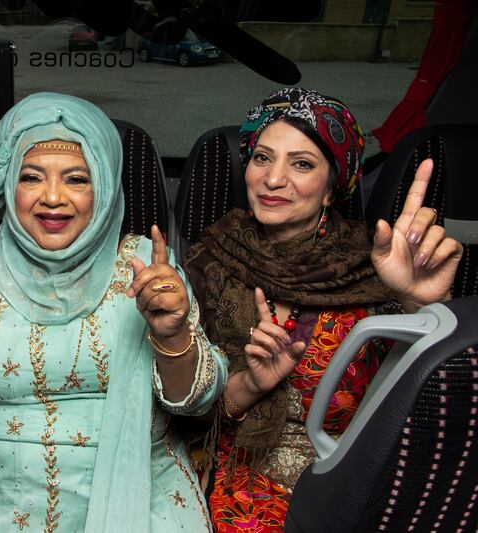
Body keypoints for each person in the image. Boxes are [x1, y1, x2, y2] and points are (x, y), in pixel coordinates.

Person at [0, 92, 228, 532]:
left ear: (104, 188)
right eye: (31, 177)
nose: (51, 197)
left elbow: (197, 402)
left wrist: (173, 335)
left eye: (76, 180)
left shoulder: (147, 267)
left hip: (136, 494)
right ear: (10, 185)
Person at [183, 87, 464, 531]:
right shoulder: (207, 263)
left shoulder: (377, 266)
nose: (273, 179)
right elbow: (182, 410)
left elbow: (430, 414)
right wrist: (250, 386)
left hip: (354, 478)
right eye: (262, 158)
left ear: (332, 188)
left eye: (301, 164)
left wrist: (421, 303)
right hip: (237, 473)